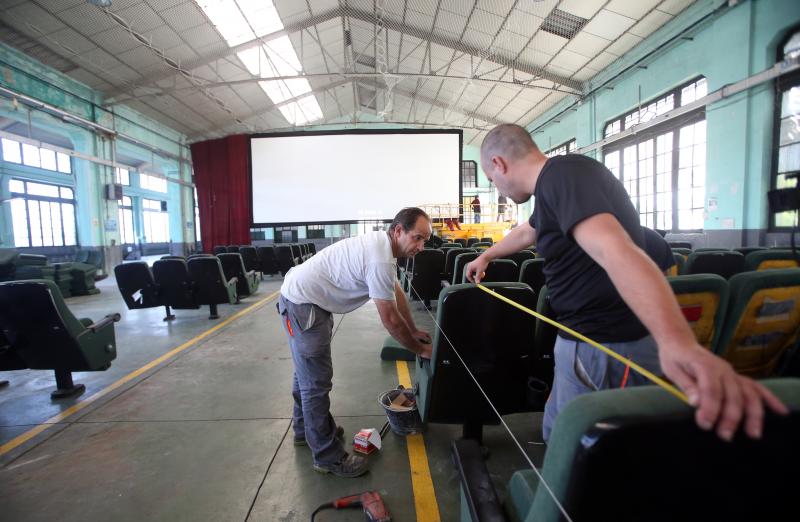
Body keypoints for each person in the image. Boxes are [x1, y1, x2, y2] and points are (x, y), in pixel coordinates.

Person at [465, 123, 787, 443]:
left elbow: (614, 249)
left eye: (493, 181)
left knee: (583, 449)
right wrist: (486, 257)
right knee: (562, 434)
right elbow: (528, 231)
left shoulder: (563, 178)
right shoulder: (559, 182)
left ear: (499, 164)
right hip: (592, 346)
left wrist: (677, 342)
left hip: (604, 348)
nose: (497, 188)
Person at [277, 207, 433, 478]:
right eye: (417, 238)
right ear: (398, 231)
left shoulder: (383, 248)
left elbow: (395, 293)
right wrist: (420, 349)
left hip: (309, 299)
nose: (421, 246)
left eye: (425, 241)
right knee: (316, 381)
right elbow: (389, 319)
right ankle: (326, 456)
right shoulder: (380, 258)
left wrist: (414, 328)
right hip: (303, 303)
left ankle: (306, 430)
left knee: (306, 372)